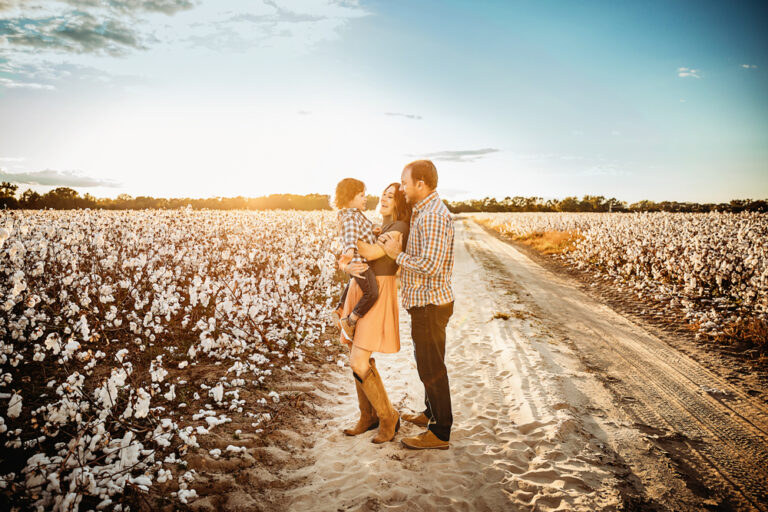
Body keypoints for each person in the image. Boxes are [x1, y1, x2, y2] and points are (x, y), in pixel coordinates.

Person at [379, 160, 455, 450]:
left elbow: (431, 266)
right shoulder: (424, 212)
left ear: (420, 184)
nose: (402, 188)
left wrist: (397, 255)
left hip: (430, 304)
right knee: (427, 363)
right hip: (426, 302)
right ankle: (430, 413)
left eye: (405, 182)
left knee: (432, 366)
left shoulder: (433, 215)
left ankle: (440, 432)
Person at [338, 183, 411, 443]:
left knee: (358, 361)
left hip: (377, 291)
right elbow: (361, 253)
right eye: (383, 194)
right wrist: (346, 264)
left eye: (390, 196)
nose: (383, 198)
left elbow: (368, 252)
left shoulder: (400, 227)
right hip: (360, 288)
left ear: (399, 203)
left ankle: (388, 416)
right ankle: (367, 416)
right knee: (358, 357)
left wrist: (348, 243)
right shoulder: (379, 227)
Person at [331, 178, 379, 342]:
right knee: (372, 293)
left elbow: (362, 231)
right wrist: (348, 256)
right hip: (361, 264)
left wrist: (374, 230)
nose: (365, 198)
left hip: (359, 262)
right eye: (361, 195)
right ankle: (350, 321)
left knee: (353, 283)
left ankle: (339, 309)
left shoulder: (354, 215)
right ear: (349, 197)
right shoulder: (351, 218)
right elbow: (351, 239)